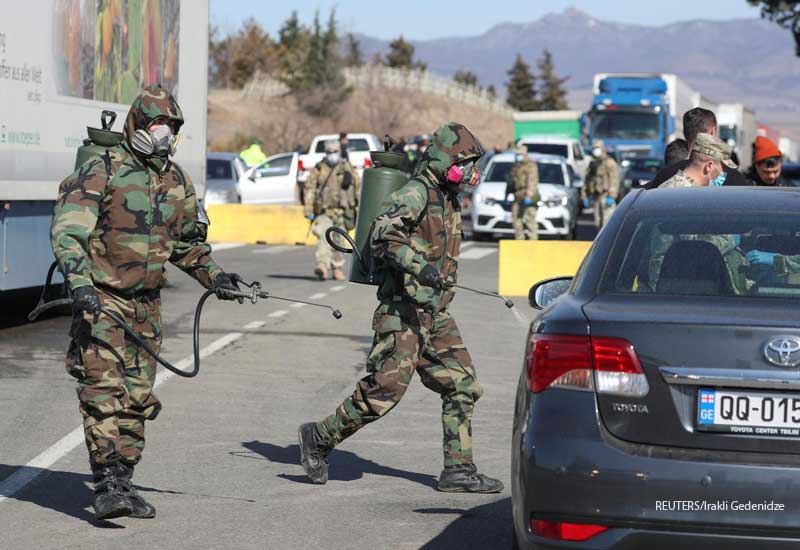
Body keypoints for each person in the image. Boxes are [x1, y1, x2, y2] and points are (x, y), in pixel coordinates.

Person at [50, 84, 243, 520]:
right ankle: (104, 485)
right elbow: (69, 231)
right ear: (138, 125)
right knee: (103, 393)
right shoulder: (105, 168)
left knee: (137, 399)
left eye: (171, 127)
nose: (164, 133)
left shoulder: (176, 181)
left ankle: (124, 480)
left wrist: (217, 278)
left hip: (147, 307)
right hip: (102, 299)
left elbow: (187, 246)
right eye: (157, 124)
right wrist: (79, 283)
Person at [298, 122, 503, 494]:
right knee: (383, 393)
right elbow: (383, 234)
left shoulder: (448, 196)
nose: (471, 172)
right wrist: (419, 266)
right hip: (404, 312)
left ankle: (459, 469)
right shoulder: (416, 192)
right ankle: (319, 437)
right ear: (446, 160)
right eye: (466, 162)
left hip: (435, 315)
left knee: (463, 385)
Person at [646, 107, 750, 188]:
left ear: (684, 133)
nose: (722, 174)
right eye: (722, 168)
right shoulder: (735, 180)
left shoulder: (665, 177)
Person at [304, 140, 360, 281]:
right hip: (325, 211)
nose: (332, 155)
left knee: (339, 241)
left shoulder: (347, 168)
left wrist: (359, 209)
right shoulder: (319, 168)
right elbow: (310, 189)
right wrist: (309, 209)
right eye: (329, 152)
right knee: (324, 237)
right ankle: (322, 266)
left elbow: (358, 188)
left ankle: (337, 269)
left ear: (339, 152)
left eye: (335, 152)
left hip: (343, 212)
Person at [659, 133, 736, 188]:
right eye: (723, 167)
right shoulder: (687, 195)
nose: (723, 173)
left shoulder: (668, 188)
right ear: (709, 166)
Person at [582, 139, 620, 229]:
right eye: (594, 148)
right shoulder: (592, 163)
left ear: (602, 149)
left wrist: (612, 196)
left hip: (606, 196)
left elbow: (614, 180)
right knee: (597, 223)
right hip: (595, 196)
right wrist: (584, 196)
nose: (596, 150)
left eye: (597, 148)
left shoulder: (609, 163)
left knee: (607, 224)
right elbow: (587, 180)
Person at [508, 145, 539, 240]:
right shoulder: (516, 166)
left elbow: (532, 181)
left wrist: (529, 195)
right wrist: (507, 193)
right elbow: (511, 180)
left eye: (519, 154)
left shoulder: (530, 165)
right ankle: (519, 241)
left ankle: (532, 242)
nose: (517, 156)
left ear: (524, 154)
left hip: (527, 195)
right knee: (516, 220)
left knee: (530, 220)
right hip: (517, 195)